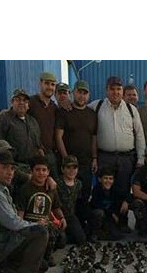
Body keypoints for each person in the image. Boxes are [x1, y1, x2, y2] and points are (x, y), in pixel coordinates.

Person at [90, 75, 146, 212]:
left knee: (123, 191)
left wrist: (141, 158)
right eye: (112, 89)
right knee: (104, 192)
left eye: (118, 89)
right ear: (106, 90)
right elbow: (79, 110)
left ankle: (122, 220)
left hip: (126, 159)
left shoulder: (131, 110)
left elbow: (139, 135)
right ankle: (105, 220)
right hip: (105, 157)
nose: (116, 92)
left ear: (122, 91)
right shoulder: (96, 106)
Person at [55, 79, 98, 223]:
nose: (82, 96)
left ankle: (82, 225)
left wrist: (94, 158)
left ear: (89, 95)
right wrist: (66, 159)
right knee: (67, 197)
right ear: (73, 93)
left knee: (84, 196)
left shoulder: (92, 114)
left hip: (86, 163)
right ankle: (66, 226)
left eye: (85, 93)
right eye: (79, 92)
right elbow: (58, 137)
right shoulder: (65, 112)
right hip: (69, 164)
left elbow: (94, 137)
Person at [15, 156, 66, 266]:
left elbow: (56, 207)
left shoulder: (52, 188)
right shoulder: (24, 189)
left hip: (46, 224)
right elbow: (20, 214)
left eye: (44, 170)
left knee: (62, 238)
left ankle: (46, 255)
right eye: (37, 170)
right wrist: (24, 227)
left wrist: (62, 218)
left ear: (48, 172)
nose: (41, 173)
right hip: (31, 226)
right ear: (32, 171)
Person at [0, 88, 44, 167]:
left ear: (28, 105)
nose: (21, 102)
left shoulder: (33, 121)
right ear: (12, 102)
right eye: (18, 100)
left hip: (32, 166)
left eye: (25, 100)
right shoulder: (3, 119)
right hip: (13, 166)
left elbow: (38, 144)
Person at [28, 72, 60, 180]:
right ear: (40, 84)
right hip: (33, 154)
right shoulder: (30, 103)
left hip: (49, 154)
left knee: (54, 184)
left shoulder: (54, 107)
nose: (50, 87)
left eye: (53, 84)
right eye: (47, 83)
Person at [55, 155, 87, 247]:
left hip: (71, 216)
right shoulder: (56, 183)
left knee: (81, 240)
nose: (72, 170)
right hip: (57, 216)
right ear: (62, 169)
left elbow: (79, 203)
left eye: (74, 168)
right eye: (68, 167)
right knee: (61, 242)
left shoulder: (79, 184)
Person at [89, 166, 129, 241]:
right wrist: (112, 214)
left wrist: (126, 201)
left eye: (110, 179)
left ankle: (118, 227)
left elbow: (128, 195)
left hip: (111, 217)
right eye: (105, 178)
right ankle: (94, 232)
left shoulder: (116, 188)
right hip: (101, 216)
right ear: (100, 179)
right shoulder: (96, 189)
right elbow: (97, 205)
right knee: (99, 212)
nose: (108, 181)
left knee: (117, 236)